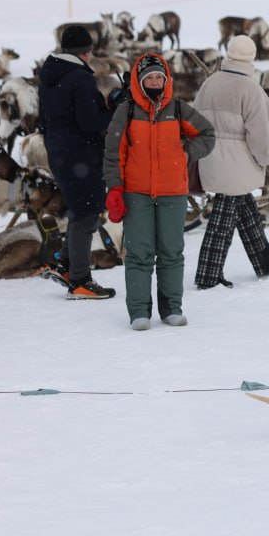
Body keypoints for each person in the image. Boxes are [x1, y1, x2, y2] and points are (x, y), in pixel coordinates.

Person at [104, 54, 215, 331]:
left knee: (171, 253)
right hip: (136, 193)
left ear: (166, 80)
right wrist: (115, 188)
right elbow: (113, 153)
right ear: (139, 81)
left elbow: (207, 134)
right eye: (149, 78)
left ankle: (172, 309)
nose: (154, 82)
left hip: (173, 192)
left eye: (159, 77)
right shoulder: (126, 111)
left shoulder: (178, 109)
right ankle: (139, 312)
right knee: (139, 253)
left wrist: (186, 153)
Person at [192, 36, 269, 290]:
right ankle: (208, 275)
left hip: (210, 157)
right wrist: (266, 159)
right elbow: (261, 135)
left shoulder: (209, 83)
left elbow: (194, 121)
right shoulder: (252, 90)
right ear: (251, 57)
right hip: (237, 162)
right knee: (222, 222)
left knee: (246, 211)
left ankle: (266, 263)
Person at [38, 26, 117, 298]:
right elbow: (89, 122)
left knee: (78, 209)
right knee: (86, 214)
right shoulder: (80, 78)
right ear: (87, 52)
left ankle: (67, 265)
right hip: (81, 156)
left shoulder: (50, 74)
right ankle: (81, 280)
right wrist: (114, 110)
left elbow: (47, 119)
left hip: (59, 154)